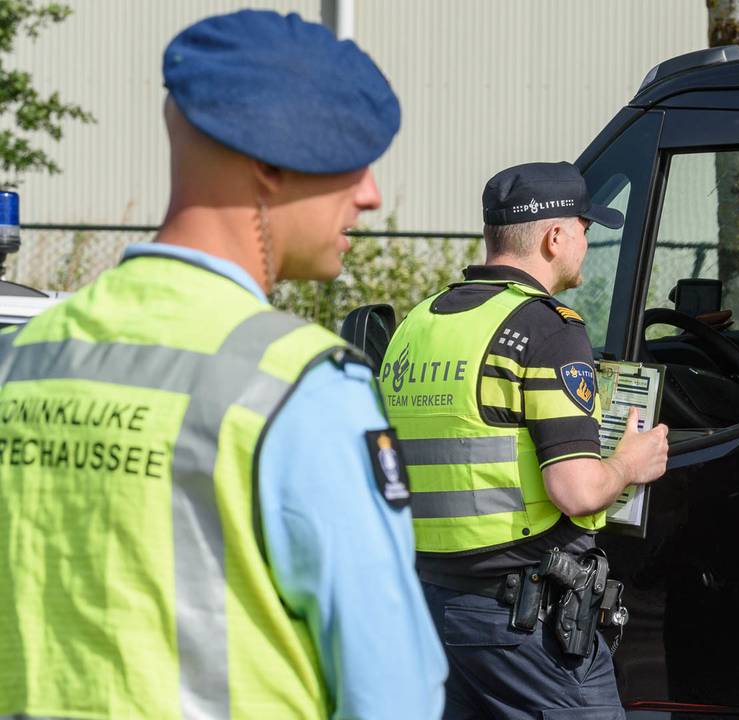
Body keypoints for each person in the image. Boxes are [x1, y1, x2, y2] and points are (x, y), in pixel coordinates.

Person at [0, 10, 445, 719]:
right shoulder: (302, 390)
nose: (371, 195)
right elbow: (393, 693)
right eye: (350, 160)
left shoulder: (25, 357)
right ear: (267, 165)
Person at [383, 161, 670, 718]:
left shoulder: (418, 325)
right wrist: (629, 464)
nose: (587, 241)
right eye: (585, 228)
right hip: (523, 622)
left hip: (431, 608)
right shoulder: (546, 329)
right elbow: (577, 490)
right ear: (554, 235)